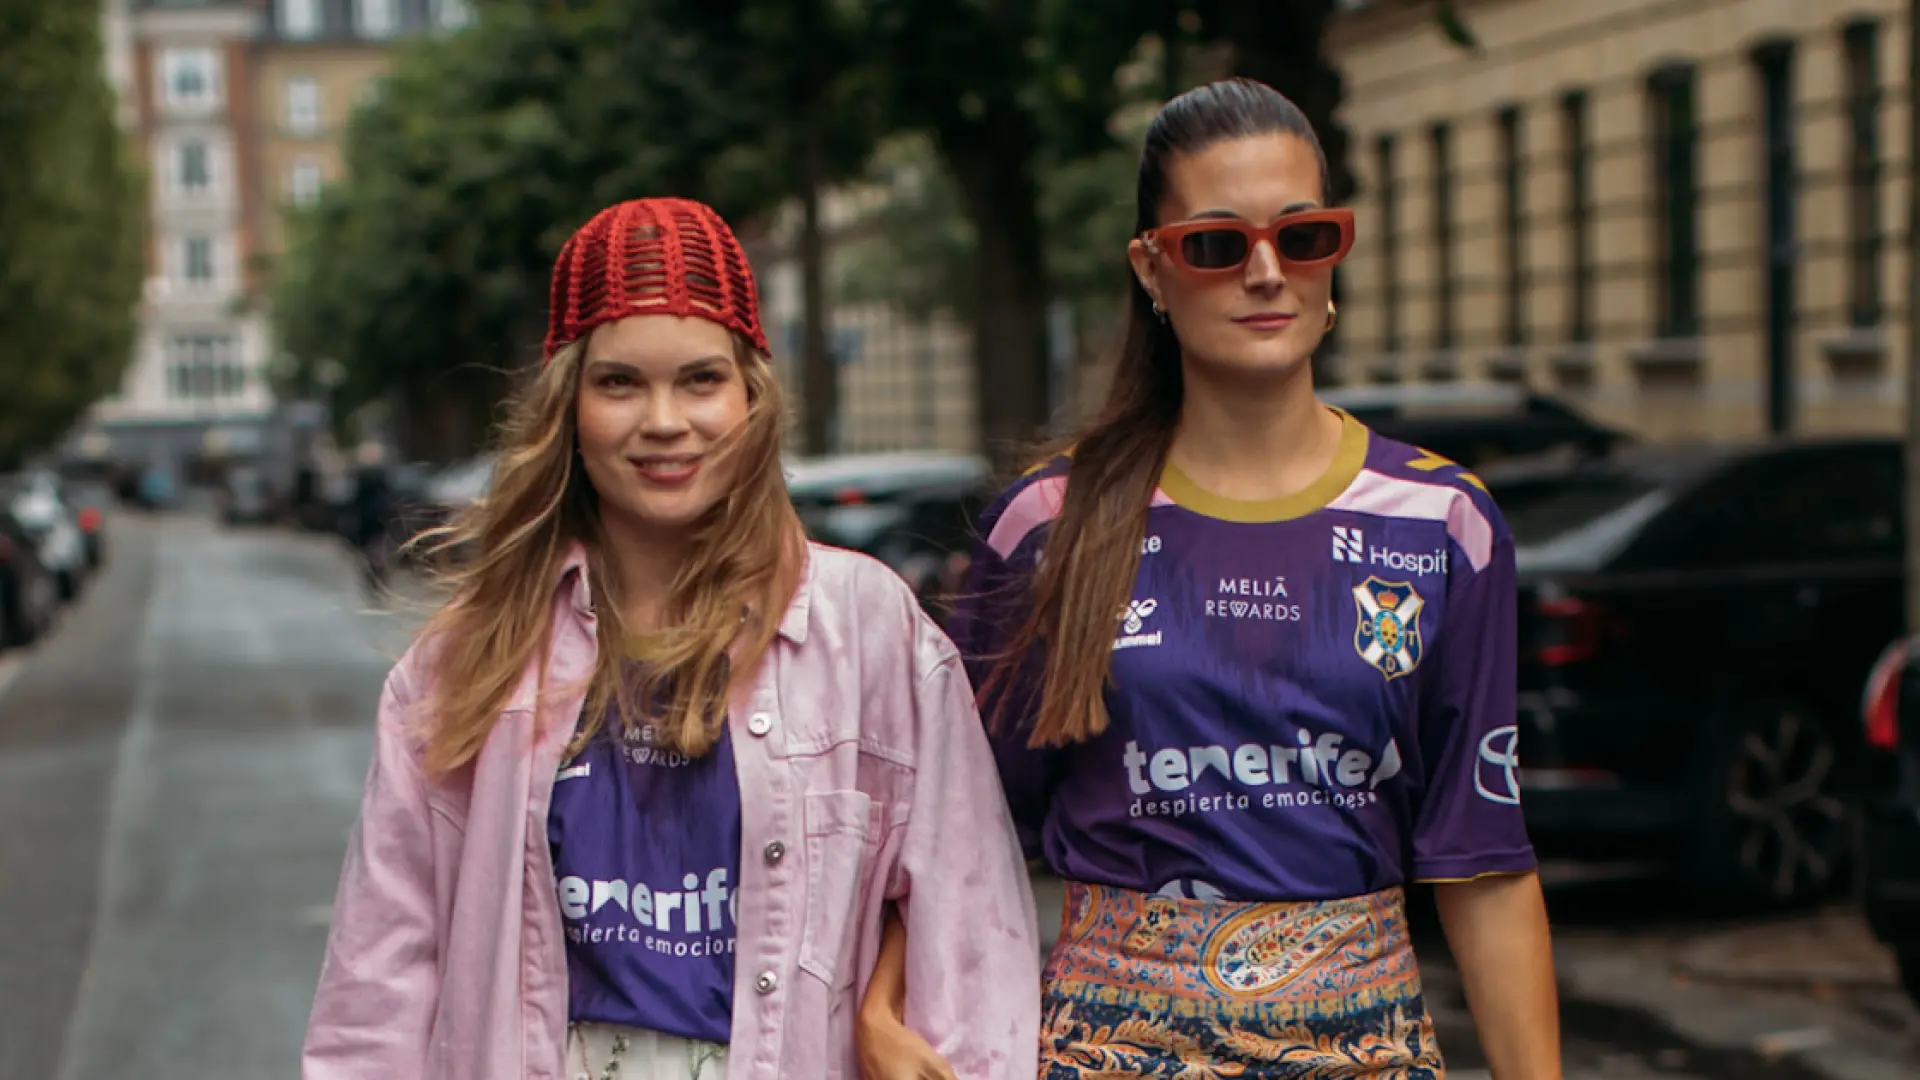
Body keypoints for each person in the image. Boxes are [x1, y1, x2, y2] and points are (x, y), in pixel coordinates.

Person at [860, 78, 1563, 1077]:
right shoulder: (1050, 527)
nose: (1266, 273)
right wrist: (879, 1006)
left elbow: (1482, 861)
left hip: (1366, 1053)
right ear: (1152, 267)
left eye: (1303, 236)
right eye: (1218, 244)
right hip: (1111, 1053)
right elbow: (952, 830)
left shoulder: (1444, 524)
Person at [302, 197, 1040, 1080]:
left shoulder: (867, 633)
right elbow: (377, 993)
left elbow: (970, 944)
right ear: (568, 408)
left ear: (751, 396)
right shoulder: (467, 664)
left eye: (700, 380)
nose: (663, 420)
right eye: (619, 383)